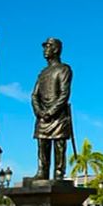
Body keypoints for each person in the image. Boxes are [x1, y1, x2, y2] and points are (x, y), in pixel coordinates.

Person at [31, 37, 73, 180]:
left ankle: (59, 173)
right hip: (42, 116)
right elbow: (34, 95)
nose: (45, 50)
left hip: (58, 116)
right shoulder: (42, 73)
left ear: (55, 49)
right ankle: (42, 172)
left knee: (59, 146)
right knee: (42, 145)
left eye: (48, 47)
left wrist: (51, 112)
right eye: (45, 47)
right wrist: (39, 112)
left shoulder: (64, 69)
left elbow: (64, 94)